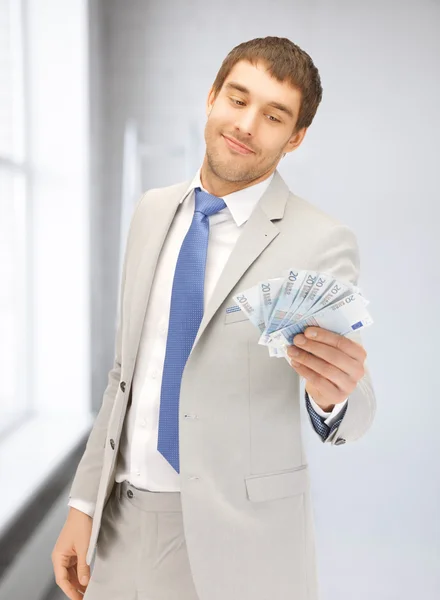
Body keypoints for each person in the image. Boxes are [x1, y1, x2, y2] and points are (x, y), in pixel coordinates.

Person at [51, 36, 376, 600]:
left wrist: (333, 397)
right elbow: (124, 375)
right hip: (119, 528)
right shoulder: (152, 211)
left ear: (295, 138)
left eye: (273, 116)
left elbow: (357, 400)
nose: (246, 124)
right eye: (237, 98)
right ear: (212, 98)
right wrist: (83, 505)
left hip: (240, 545)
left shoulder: (319, 241)